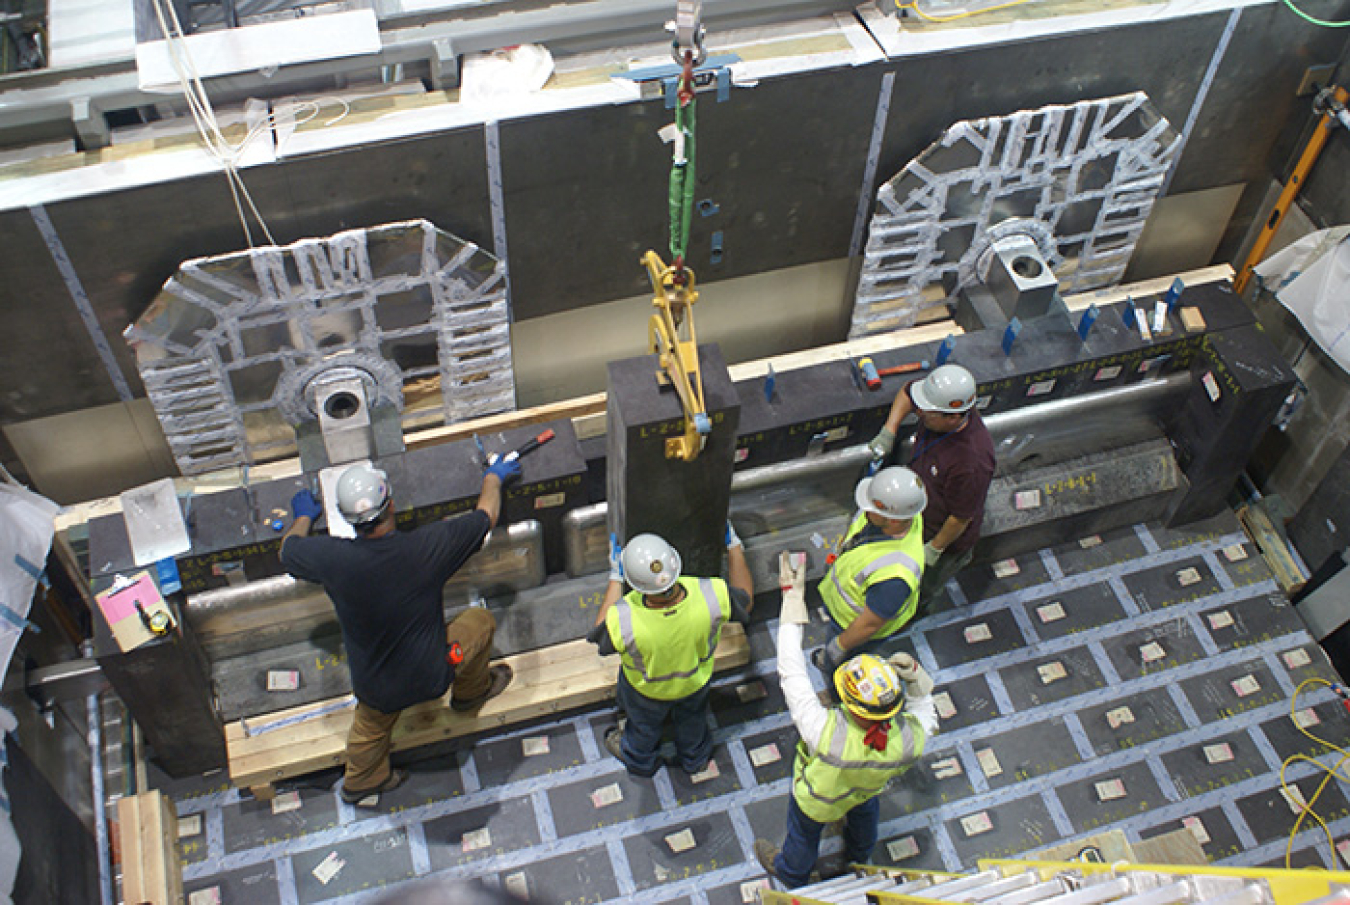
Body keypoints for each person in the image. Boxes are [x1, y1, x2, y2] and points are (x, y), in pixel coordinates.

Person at [281, 456, 519, 807]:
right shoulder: (426, 548)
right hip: (434, 674)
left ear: (347, 520)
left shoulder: (333, 560)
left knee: (370, 728)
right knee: (479, 623)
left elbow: (287, 551)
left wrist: (303, 516)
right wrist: (493, 479)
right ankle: (471, 693)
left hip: (377, 690)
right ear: (390, 504)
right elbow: (486, 517)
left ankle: (363, 781)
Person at [755, 552, 937, 888]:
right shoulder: (908, 739)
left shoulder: (823, 731)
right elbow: (927, 712)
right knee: (866, 815)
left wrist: (792, 600)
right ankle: (858, 859)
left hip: (818, 798)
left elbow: (791, 670)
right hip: (865, 788)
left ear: (851, 706)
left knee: (803, 833)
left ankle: (791, 872)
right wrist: (915, 679)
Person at [588, 524, 754, 777]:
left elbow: (600, 636)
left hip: (646, 691)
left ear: (636, 585)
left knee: (643, 728)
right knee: (693, 721)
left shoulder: (624, 618)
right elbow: (746, 601)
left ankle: (639, 760)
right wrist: (734, 548)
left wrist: (615, 577)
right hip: (694, 683)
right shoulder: (711, 594)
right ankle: (695, 759)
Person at [869, 364, 995, 609]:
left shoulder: (971, 461)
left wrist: (934, 549)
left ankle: (907, 613)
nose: (919, 414)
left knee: (919, 587)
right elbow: (907, 393)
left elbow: (960, 517)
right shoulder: (938, 401)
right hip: (916, 517)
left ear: (953, 416)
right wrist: (889, 430)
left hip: (941, 538)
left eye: (927, 412)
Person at [812, 467, 927, 676]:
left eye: (871, 508)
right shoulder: (900, 516)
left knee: (845, 667)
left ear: (892, 519)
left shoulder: (895, 576)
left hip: (851, 626)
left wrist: (839, 646)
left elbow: (868, 625)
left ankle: (837, 683)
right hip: (844, 606)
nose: (865, 510)